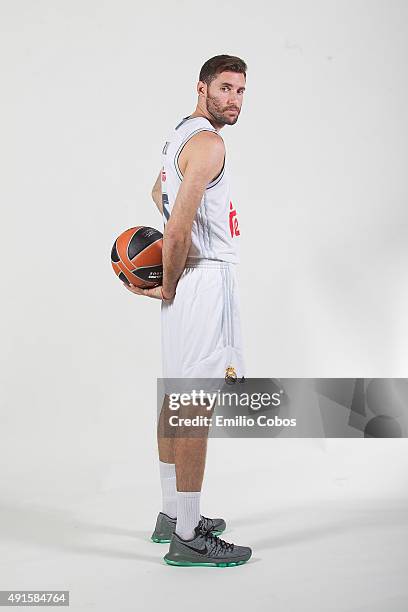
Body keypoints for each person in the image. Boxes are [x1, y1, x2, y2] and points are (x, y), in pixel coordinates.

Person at [124, 54, 252, 567]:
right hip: (204, 283)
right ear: (202, 87)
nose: (235, 100)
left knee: (176, 397)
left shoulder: (178, 135)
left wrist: (174, 280)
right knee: (196, 404)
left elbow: (159, 191)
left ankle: (170, 513)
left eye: (241, 91)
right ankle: (189, 535)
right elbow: (176, 226)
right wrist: (172, 282)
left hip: (188, 287)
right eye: (225, 88)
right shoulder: (209, 143)